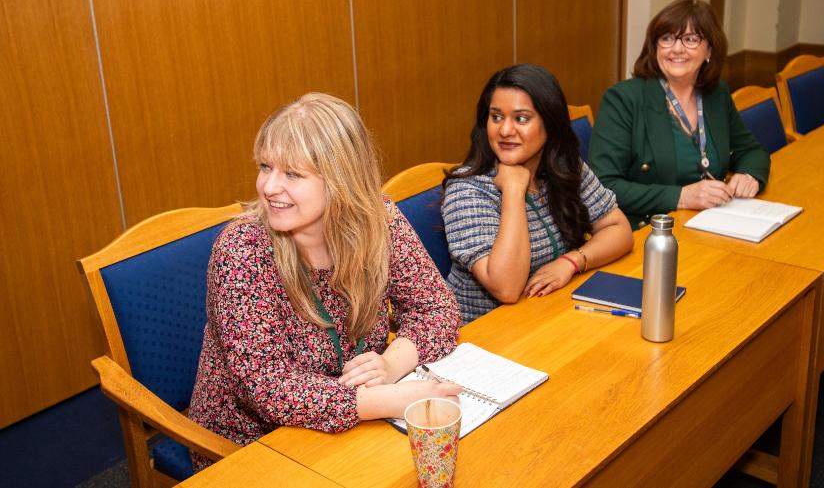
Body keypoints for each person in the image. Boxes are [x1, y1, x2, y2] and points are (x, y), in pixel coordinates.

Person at [189, 93, 461, 469]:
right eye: (266, 167)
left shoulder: (380, 221)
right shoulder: (242, 249)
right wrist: (389, 401)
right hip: (255, 442)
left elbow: (436, 306)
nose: (269, 187)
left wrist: (391, 366)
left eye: (293, 174)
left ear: (341, 180)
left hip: (358, 420)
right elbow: (267, 387)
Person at [442, 64, 633, 323]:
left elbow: (618, 228)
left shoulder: (564, 167)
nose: (505, 130)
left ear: (550, 123)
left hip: (549, 316)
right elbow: (506, 288)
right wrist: (513, 190)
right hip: (483, 337)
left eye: (521, 119)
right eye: (496, 117)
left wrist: (571, 262)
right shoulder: (467, 190)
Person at [589, 0, 770, 229]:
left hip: (711, 223)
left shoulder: (716, 93)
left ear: (710, 50)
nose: (676, 48)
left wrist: (749, 175)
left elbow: (751, 150)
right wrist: (681, 197)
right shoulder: (623, 99)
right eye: (666, 38)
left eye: (691, 39)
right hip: (647, 231)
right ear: (655, 47)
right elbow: (604, 186)